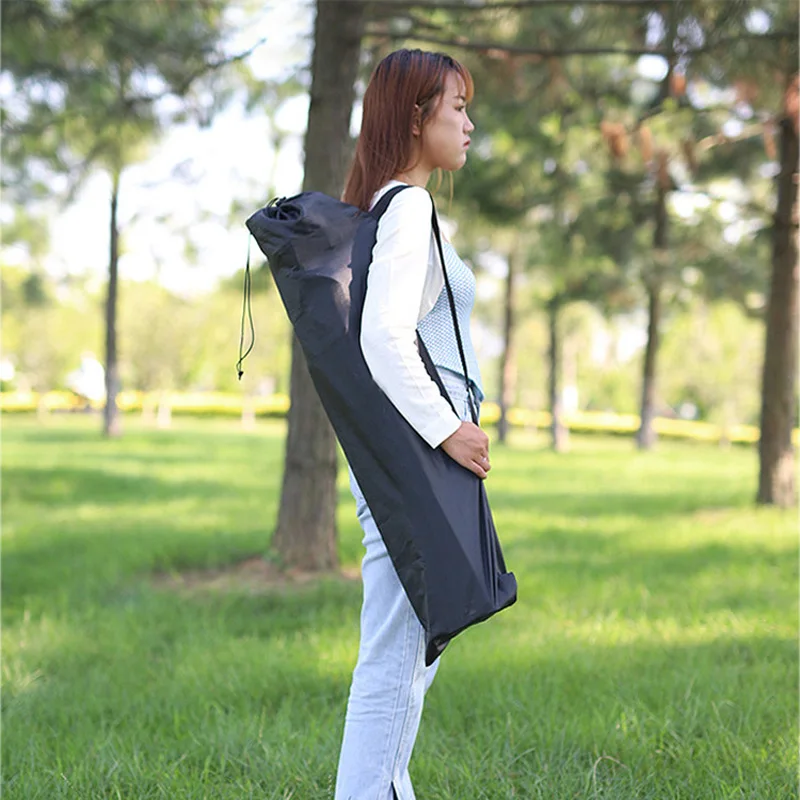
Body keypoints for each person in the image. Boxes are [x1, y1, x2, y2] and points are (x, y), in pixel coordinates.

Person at [335, 49, 490, 800]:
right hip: (416, 457)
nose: (468, 122)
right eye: (457, 107)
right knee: (398, 657)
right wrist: (447, 429)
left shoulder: (390, 206)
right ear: (417, 115)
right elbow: (384, 340)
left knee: (406, 654)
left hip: (410, 458)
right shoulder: (407, 208)